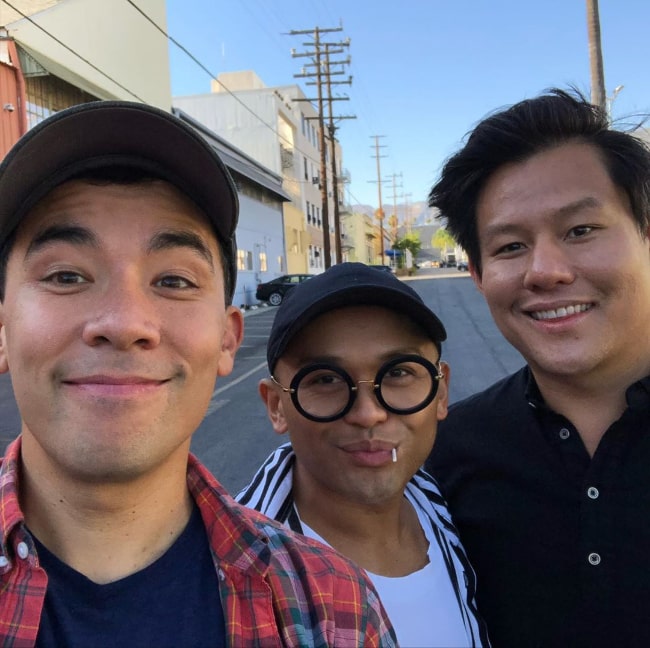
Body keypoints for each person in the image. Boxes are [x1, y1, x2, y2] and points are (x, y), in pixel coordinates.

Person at [0, 102, 397, 647]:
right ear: (2, 329)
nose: (124, 323)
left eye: (174, 281)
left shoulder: (332, 608)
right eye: (67, 275)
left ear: (229, 338)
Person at [425, 88, 650, 648]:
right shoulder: (444, 461)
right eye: (510, 247)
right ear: (477, 274)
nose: (545, 271)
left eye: (580, 231)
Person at [237, 262, 490, 648]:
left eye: (399, 373)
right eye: (324, 379)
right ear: (276, 406)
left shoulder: (460, 514)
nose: (369, 413)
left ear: (441, 393)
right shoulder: (232, 585)